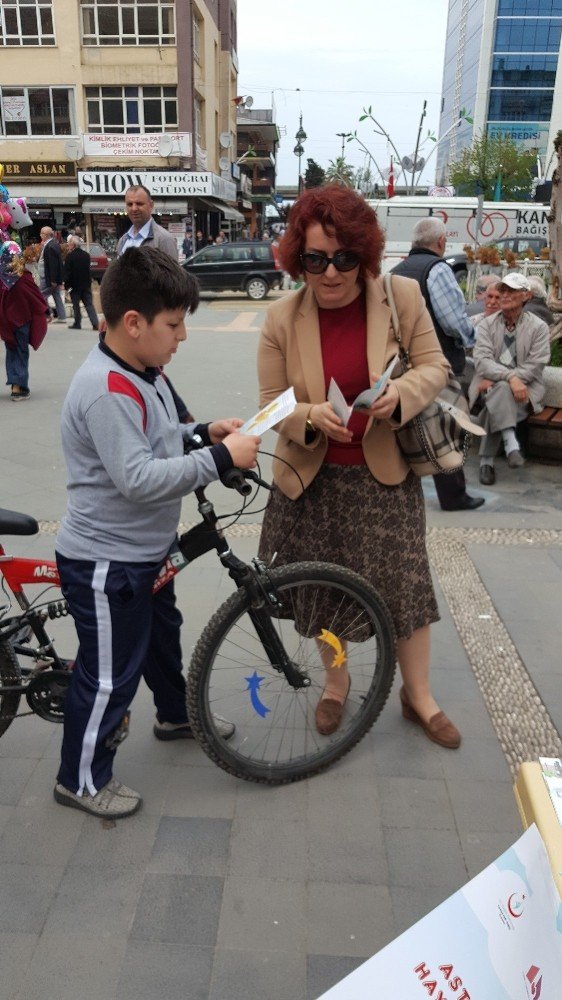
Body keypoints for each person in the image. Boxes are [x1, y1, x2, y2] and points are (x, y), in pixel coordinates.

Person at [53, 246, 260, 818]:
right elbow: (139, 478)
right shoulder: (106, 389)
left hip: (146, 553)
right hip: (107, 560)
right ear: (133, 323)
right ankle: (81, 781)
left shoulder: (144, 372)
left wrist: (203, 431)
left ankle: (174, 714)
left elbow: (161, 434)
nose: (183, 336)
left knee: (162, 640)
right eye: (174, 324)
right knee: (108, 677)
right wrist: (220, 459)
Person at [257, 184, 460, 750]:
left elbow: (435, 366)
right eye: (316, 259)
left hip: (384, 478)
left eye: (344, 258)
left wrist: (402, 392)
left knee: (406, 592)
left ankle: (417, 694)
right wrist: (307, 414)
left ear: (364, 256)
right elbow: (269, 402)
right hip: (313, 482)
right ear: (299, 258)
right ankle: (337, 682)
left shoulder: (400, 296)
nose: (330, 273)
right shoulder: (280, 318)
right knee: (325, 592)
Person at [392, 218, 484, 512]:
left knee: (403, 428)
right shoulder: (438, 269)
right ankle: (454, 496)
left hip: (399, 365)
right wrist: (472, 337)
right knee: (448, 428)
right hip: (438, 362)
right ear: (441, 243)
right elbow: (453, 321)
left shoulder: (396, 271)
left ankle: (400, 491)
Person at [469, 272, 550, 485]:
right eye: (502, 290)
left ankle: (487, 461)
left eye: (511, 291)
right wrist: (508, 378)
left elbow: (536, 365)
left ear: (526, 295)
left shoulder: (538, 327)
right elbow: (482, 360)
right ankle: (510, 443)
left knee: (500, 394)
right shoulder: (486, 325)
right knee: (502, 390)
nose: (504, 295)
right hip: (488, 384)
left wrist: (509, 380)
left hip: (525, 388)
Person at [0, 246, 50, 400]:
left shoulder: (1, 278)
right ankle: (19, 387)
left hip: (6, 322)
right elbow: (35, 297)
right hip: (22, 322)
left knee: (11, 351)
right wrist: (45, 310)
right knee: (21, 351)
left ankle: (15, 383)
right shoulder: (24, 277)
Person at [116, 185, 178, 260]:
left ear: (151, 205)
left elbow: (171, 271)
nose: (134, 208)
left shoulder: (164, 239)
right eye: (130, 204)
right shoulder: (123, 240)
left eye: (139, 204)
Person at [63, 235, 99, 331]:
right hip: (86, 284)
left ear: (73, 245)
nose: (68, 245)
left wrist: (67, 285)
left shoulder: (69, 257)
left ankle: (77, 323)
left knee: (76, 305)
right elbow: (88, 270)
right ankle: (95, 323)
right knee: (89, 304)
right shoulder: (86, 255)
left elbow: (67, 272)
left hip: (74, 285)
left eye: (69, 243)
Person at [38, 226, 66, 322]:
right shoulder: (52, 244)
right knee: (56, 295)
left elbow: (53, 264)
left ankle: (48, 314)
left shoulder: (50, 246)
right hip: (50, 277)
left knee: (40, 295)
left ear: (45, 235)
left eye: (41, 233)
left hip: (48, 278)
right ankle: (62, 317)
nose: (40, 235)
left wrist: (53, 280)